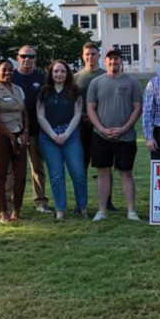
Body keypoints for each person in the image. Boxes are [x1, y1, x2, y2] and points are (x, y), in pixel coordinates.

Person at [86, 48, 143, 221]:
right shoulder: (96, 82)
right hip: (101, 136)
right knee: (103, 172)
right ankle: (102, 210)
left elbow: (137, 108)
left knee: (126, 172)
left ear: (121, 61)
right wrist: (102, 129)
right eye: (110, 59)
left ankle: (131, 211)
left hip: (125, 137)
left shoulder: (132, 82)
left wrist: (124, 128)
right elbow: (90, 108)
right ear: (105, 61)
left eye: (116, 59)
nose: (113, 62)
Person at [37, 59, 89, 220]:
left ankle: (82, 207)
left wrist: (66, 134)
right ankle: (60, 209)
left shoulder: (74, 91)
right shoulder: (44, 92)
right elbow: (40, 115)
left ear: (67, 74)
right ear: (51, 74)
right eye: (56, 71)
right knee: (56, 175)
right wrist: (53, 135)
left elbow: (77, 114)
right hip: (48, 136)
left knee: (78, 173)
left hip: (70, 135)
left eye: (62, 71)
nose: (59, 74)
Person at [10, 45, 51, 214]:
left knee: (37, 168)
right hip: (14, 130)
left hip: (35, 129)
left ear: (36, 58)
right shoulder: (10, 76)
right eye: (23, 56)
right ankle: (11, 202)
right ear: (17, 57)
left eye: (31, 56)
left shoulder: (41, 78)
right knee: (13, 168)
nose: (27, 59)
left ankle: (40, 202)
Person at [0, 59, 28, 223]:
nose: (8, 73)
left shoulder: (18, 89)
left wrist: (25, 132)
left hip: (18, 134)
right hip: (1, 136)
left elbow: (24, 114)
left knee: (20, 175)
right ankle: (3, 211)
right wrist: (10, 137)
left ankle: (16, 211)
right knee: (1, 174)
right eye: (4, 70)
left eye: (10, 70)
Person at [73, 42, 114, 207]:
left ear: (99, 56)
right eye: (87, 54)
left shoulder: (107, 75)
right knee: (80, 166)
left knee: (104, 166)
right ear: (83, 56)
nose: (90, 57)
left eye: (93, 54)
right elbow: (73, 103)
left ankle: (107, 202)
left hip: (102, 127)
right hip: (81, 127)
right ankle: (80, 203)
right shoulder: (76, 78)